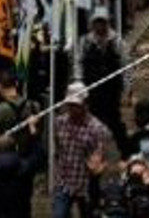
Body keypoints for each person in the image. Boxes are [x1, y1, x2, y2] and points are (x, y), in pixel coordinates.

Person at [53, 82, 115, 218]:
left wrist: (101, 166)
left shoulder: (97, 129)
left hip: (87, 185)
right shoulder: (59, 123)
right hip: (63, 181)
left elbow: (109, 157)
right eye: (70, 104)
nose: (72, 108)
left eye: (75, 105)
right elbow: (58, 148)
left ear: (85, 104)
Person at [77, 6, 127, 146]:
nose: (100, 25)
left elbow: (126, 66)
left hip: (112, 89)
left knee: (114, 120)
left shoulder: (117, 41)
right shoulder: (85, 42)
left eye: (102, 22)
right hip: (92, 88)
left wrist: (127, 89)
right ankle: (93, 148)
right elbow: (78, 63)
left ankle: (125, 149)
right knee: (92, 120)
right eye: (97, 22)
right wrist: (79, 84)